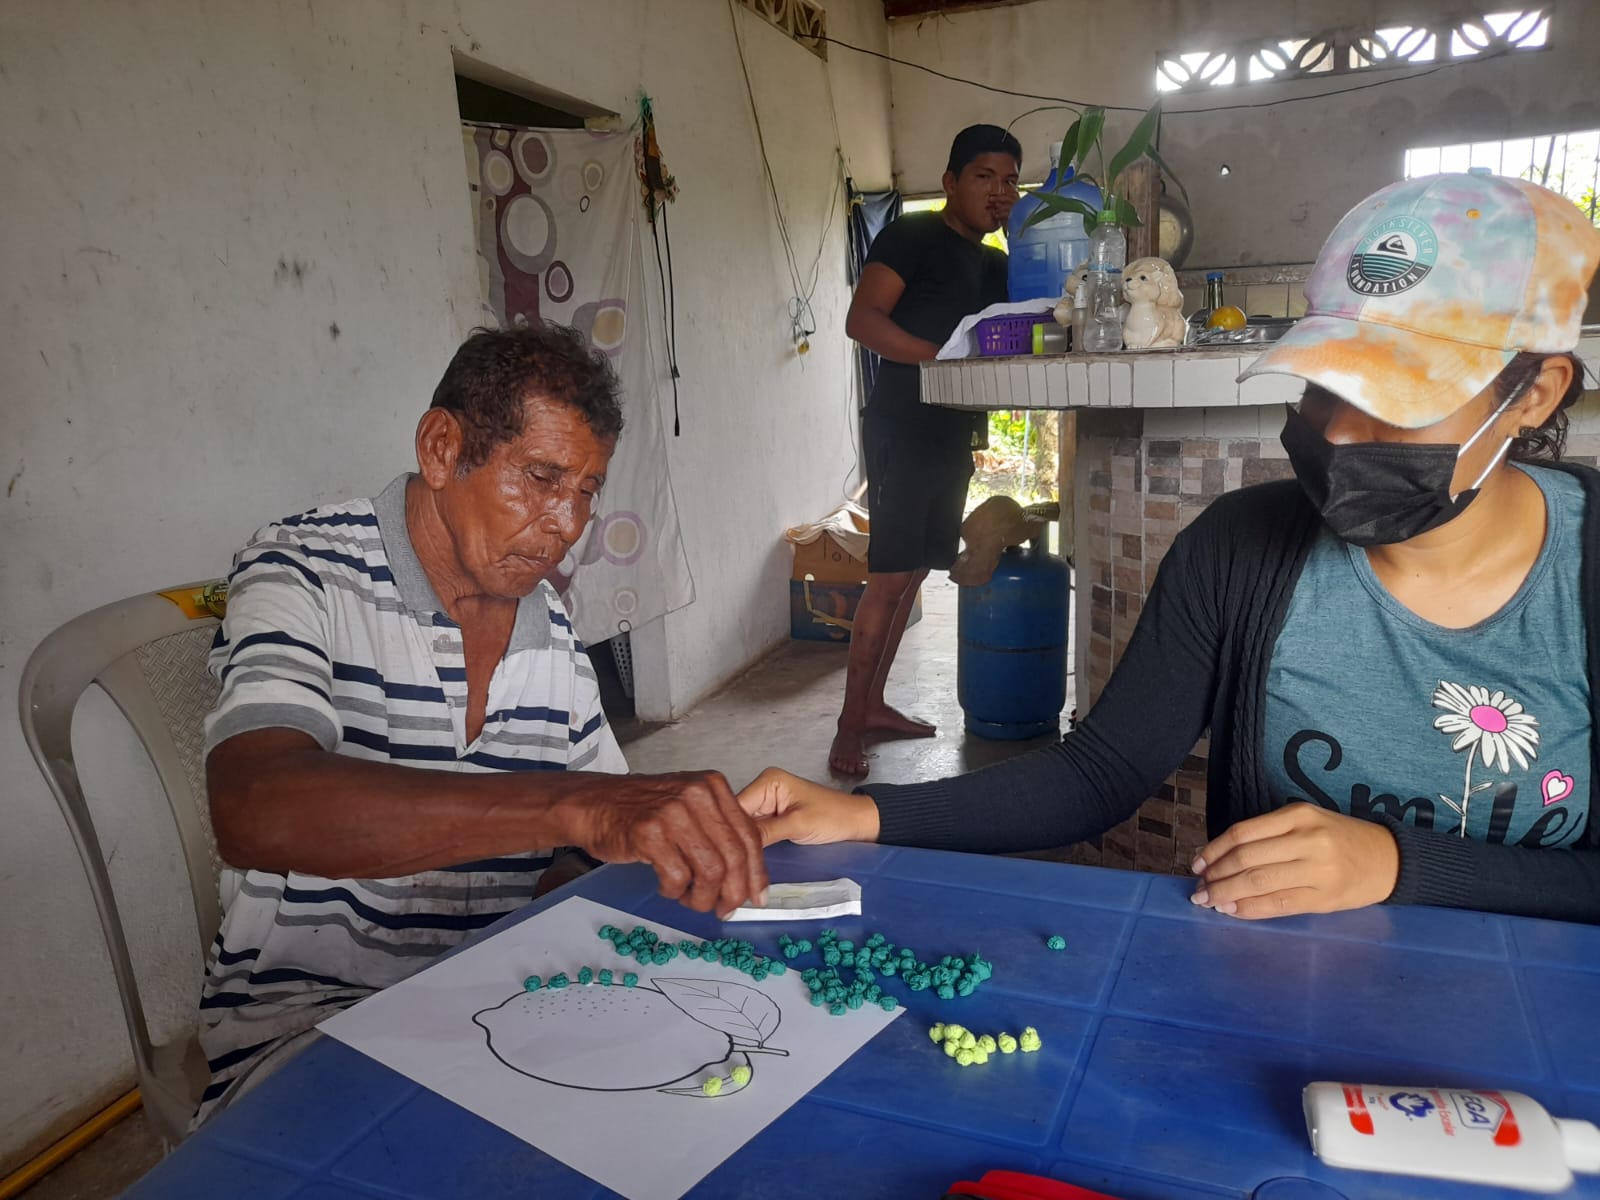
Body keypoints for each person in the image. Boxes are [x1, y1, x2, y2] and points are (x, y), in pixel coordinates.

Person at [743, 173, 1600, 925]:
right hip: (1283, 987)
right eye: (1322, 386)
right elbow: (1099, 773)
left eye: (1394, 398)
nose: (1338, 433)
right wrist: (869, 816)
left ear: (1535, 394)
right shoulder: (1239, 548)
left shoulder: (1582, 569)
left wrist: (1396, 866)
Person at [197, 324, 766, 1120]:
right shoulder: (303, 571)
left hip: (501, 996)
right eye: (541, 478)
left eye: (588, 489)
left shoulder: (548, 624)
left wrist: (607, 861)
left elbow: (590, 839)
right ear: (441, 449)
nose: (567, 524)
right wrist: (572, 807)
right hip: (317, 1022)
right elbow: (253, 808)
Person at [830, 124, 1021, 777]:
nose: (999, 192)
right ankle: (849, 726)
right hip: (903, 426)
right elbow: (862, 321)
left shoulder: (994, 265)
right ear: (950, 182)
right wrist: (942, 362)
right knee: (889, 578)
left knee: (913, 574)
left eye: (1010, 181)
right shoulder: (911, 235)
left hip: (951, 432)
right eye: (984, 177)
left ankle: (873, 706)